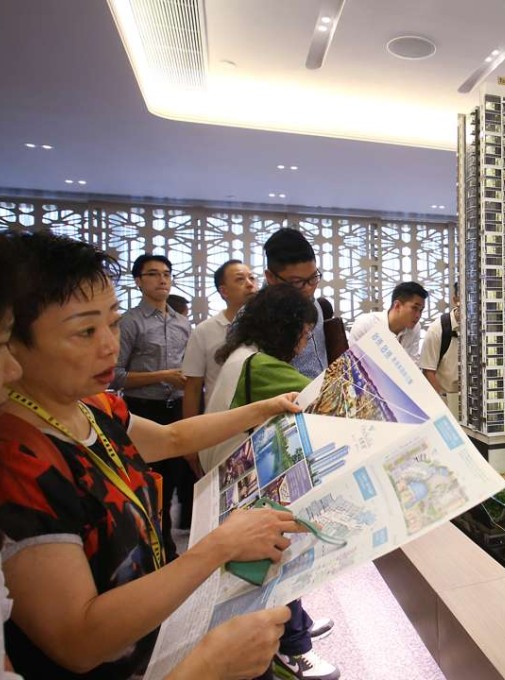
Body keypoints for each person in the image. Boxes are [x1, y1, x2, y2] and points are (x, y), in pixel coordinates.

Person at [0, 231, 305, 679]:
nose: (108, 344)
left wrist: (264, 408)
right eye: (85, 331)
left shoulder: (92, 405)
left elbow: (173, 438)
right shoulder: (18, 457)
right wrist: (215, 548)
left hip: (156, 633)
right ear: (13, 340)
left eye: (112, 322)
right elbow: (79, 640)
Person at [201, 284, 340, 680]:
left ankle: (291, 634)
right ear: (286, 328)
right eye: (303, 333)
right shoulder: (263, 367)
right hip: (247, 494)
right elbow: (328, 403)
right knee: (275, 567)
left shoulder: (241, 355)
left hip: (224, 483)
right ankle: (287, 651)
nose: (303, 343)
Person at [113, 252, 196, 545]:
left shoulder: (182, 323)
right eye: (153, 273)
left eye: (166, 273)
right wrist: (162, 376)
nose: (162, 279)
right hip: (143, 408)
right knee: (149, 483)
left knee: (175, 480)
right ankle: (155, 546)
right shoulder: (129, 322)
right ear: (138, 281)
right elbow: (115, 375)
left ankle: (168, 545)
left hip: (177, 408)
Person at [181, 260, 259, 428]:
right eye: (240, 279)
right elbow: (193, 388)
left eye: (252, 278)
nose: (250, 284)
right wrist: (190, 440)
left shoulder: (267, 327)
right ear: (223, 291)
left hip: (260, 421)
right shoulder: (204, 331)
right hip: (219, 425)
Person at [264, 229, 328, 379]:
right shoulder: (254, 317)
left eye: (313, 278)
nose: (308, 289)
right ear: (271, 277)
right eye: (297, 282)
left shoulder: (315, 305)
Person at [349, 281, 428, 365]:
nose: (418, 315)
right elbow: (352, 364)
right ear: (397, 305)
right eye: (414, 308)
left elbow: (412, 364)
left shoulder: (415, 328)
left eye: (421, 310)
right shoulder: (365, 324)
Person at [419, 282, 460, 415]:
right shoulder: (438, 329)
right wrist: (441, 404)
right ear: (456, 300)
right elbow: (428, 370)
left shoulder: (481, 328)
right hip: (446, 399)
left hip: (472, 401)